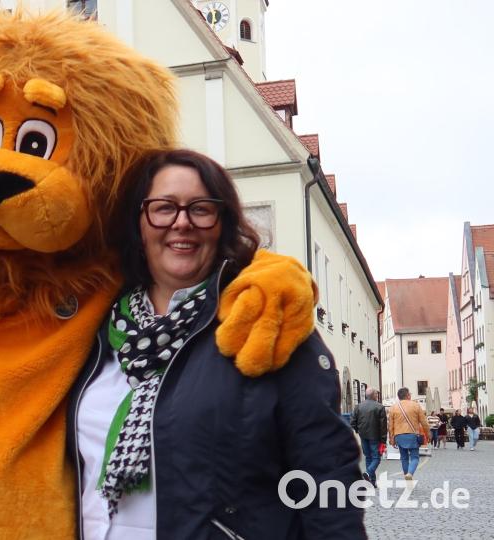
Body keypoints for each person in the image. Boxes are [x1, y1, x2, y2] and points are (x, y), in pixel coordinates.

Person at [68, 149, 363, 539]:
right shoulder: (95, 331)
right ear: (139, 222)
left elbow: (328, 476)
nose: (182, 223)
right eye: (163, 208)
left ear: (222, 223)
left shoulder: (262, 320)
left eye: (201, 209)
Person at [388, 387, 430, 480]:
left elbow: (390, 426)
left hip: (399, 435)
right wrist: (428, 434)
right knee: (415, 457)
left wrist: (391, 439)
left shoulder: (393, 408)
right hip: (412, 435)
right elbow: (424, 422)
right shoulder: (416, 405)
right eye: (410, 393)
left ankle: (406, 474)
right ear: (407, 395)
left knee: (404, 457)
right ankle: (410, 473)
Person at [352, 387, 387, 486]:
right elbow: (383, 426)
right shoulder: (380, 407)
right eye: (376, 394)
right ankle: (368, 473)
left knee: (368, 457)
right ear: (373, 395)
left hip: (363, 436)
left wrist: (358, 431)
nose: (377, 396)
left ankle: (372, 482)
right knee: (376, 458)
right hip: (375, 436)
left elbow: (352, 422)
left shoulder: (358, 406)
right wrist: (384, 440)